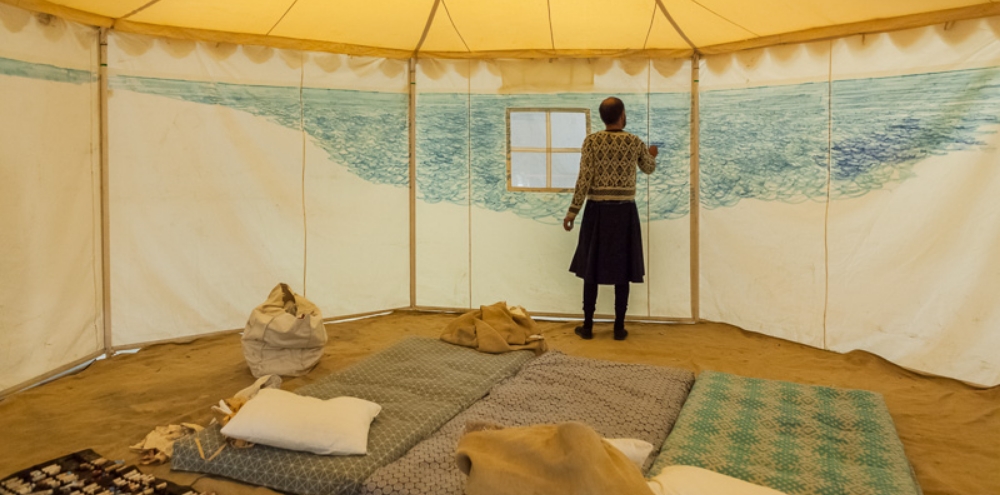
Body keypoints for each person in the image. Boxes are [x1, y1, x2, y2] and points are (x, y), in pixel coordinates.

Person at [563, 97, 657, 341]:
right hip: (625, 211)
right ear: (622, 114)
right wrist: (652, 155)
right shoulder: (635, 141)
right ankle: (618, 328)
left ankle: (587, 326)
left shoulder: (592, 141)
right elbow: (648, 168)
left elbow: (584, 178)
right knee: (622, 269)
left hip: (597, 211)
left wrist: (573, 211)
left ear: (603, 117)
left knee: (591, 268)